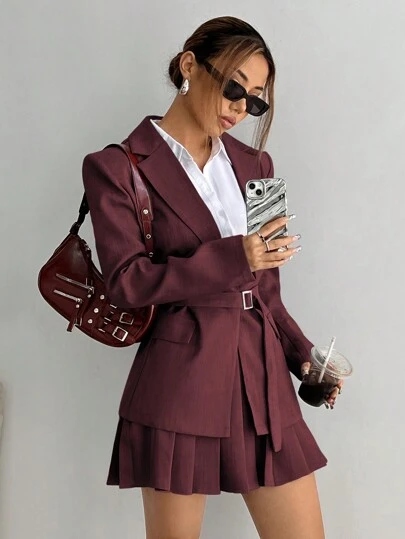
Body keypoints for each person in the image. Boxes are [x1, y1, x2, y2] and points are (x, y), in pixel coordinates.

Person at [82, 15, 344, 539]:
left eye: (255, 101)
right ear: (189, 65)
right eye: (233, 88)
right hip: (180, 383)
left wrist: (305, 358)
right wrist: (234, 256)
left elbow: (268, 293)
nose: (240, 108)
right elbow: (128, 282)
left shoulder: (257, 165)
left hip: (263, 383)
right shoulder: (116, 167)